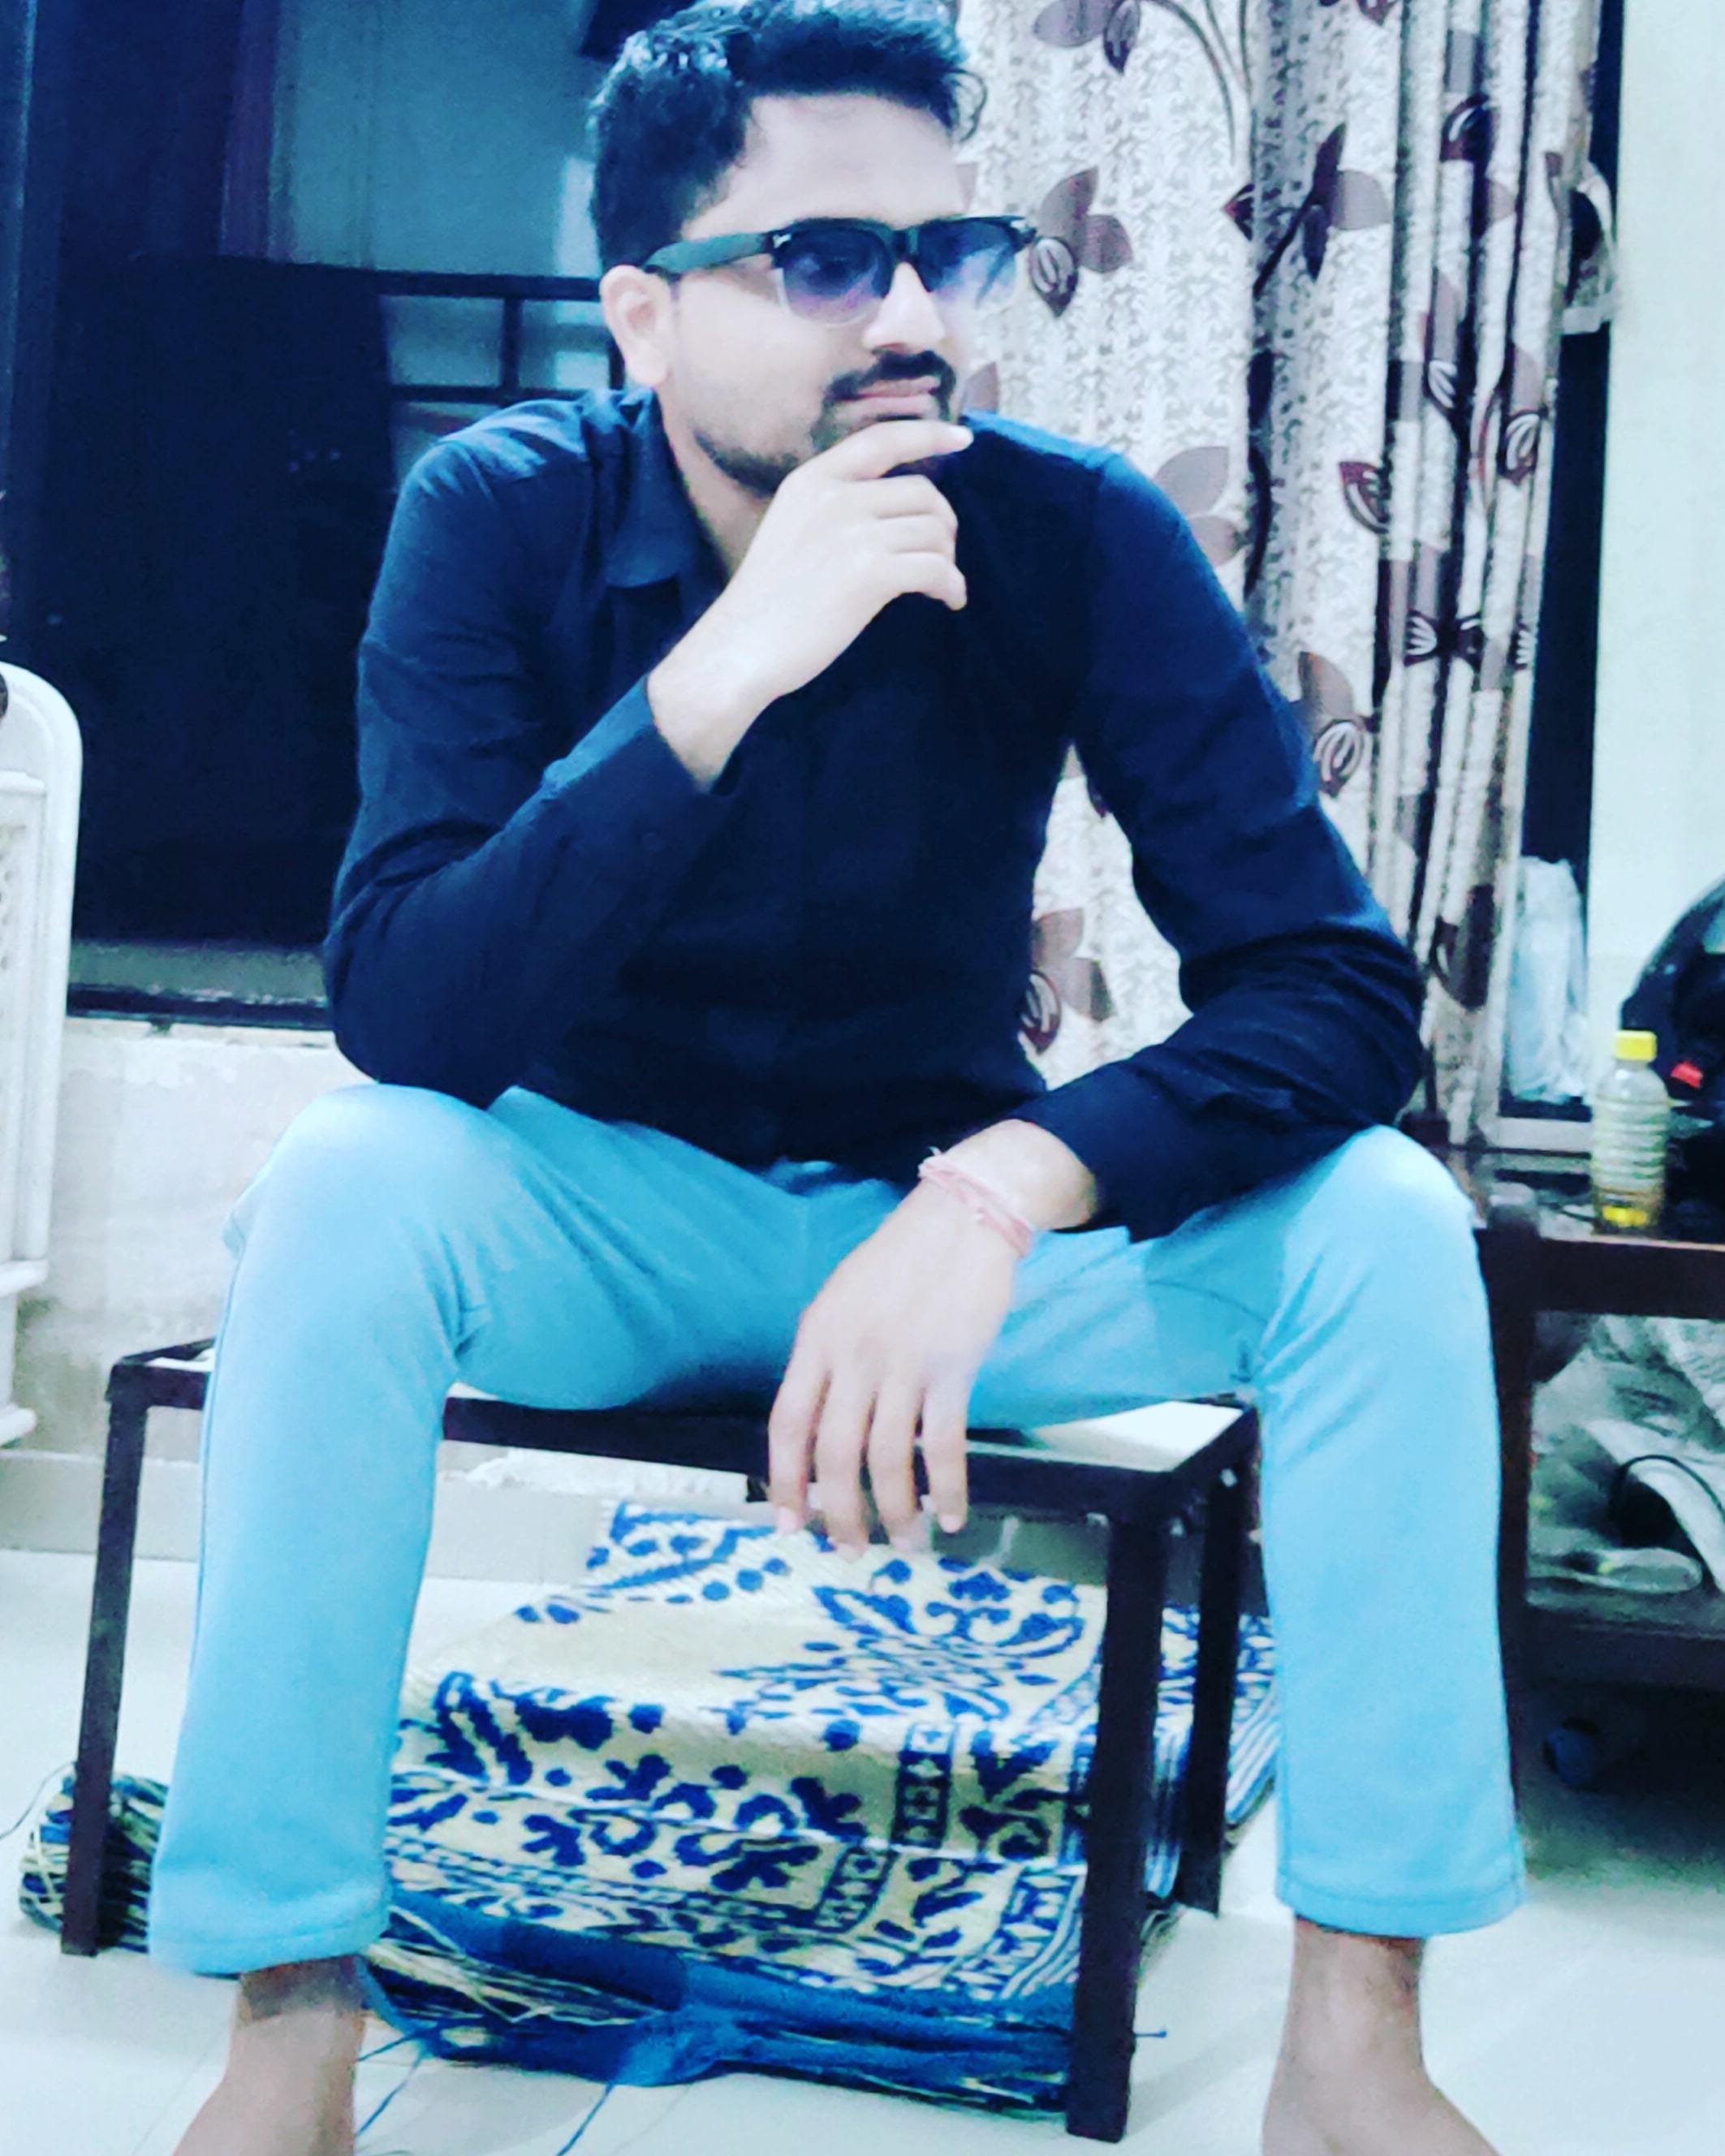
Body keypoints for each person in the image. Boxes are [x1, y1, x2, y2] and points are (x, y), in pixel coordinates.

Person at [150, 2, 1523, 2150]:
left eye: (942, 253)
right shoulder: (496, 514)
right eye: (822, 259)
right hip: (596, 1213)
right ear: (641, 313)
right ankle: (293, 2023)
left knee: (1388, 1225)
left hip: (937, 1240)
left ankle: (1357, 2046)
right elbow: (411, 1008)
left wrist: (1005, 1187)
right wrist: (724, 668)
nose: (910, 318)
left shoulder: (1071, 533)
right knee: (343, 1183)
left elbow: (1334, 992)